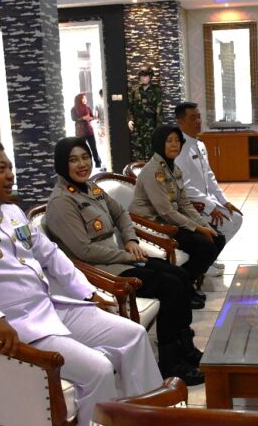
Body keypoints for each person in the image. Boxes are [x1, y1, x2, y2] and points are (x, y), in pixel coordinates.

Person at [0, 139, 162, 426]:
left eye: (10, 167)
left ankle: (148, 417)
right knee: (98, 369)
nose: (10, 175)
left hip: (50, 307)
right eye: (0, 169)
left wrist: (87, 292)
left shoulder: (11, 212)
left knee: (133, 335)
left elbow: (50, 254)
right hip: (19, 326)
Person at [44, 137, 205, 386]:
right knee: (170, 286)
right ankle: (170, 363)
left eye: (85, 157)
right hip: (101, 272)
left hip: (121, 259)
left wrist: (130, 239)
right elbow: (85, 251)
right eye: (73, 160)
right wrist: (127, 255)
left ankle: (185, 347)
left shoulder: (90, 188)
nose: (82, 164)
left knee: (180, 276)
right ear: (61, 164)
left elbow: (120, 213)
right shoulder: (61, 203)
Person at [132, 125, 226, 302]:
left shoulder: (173, 169)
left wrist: (203, 225)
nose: (174, 145)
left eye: (177, 140)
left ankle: (186, 283)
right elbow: (165, 211)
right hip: (153, 225)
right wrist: (197, 229)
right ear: (159, 143)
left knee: (218, 238)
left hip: (170, 221)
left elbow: (184, 204)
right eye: (169, 141)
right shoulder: (154, 171)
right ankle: (184, 289)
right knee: (206, 246)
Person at [174, 102, 243, 274]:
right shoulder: (179, 149)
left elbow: (209, 176)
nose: (198, 121)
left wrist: (224, 202)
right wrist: (211, 207)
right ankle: (204, 262)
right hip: (193, 205)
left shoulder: (199, 144)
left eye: (199, 117)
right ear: (180, 122)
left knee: (236, 218)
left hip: (206, 201)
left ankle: (210, 257)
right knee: (226, 224)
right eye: (193, 118)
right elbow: (185, 186)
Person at [129, 66, 163, 160]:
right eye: (142, 76)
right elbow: (130, 107)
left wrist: (158, 127)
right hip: (137, 126)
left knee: (152, 151)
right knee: (138, 152)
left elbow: (159, 109)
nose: (144, 78)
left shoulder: (156, 90)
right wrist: (130, 120)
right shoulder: (135, 90)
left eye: (146, 76)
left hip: (151, 125)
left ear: (150, 77)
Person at [71, 93, 102, 168]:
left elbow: (91, 117)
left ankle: (97, 162)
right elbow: (73, 118)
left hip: (89, 130)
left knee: (93, 147)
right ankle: (86, 163)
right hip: (80, 132)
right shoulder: (74, 109)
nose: (85, 99)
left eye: (85, 98)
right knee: (82, 149)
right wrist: (83, 118)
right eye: (83, 98)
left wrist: (91, 118)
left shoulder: (87, 107)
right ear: (79, 99)